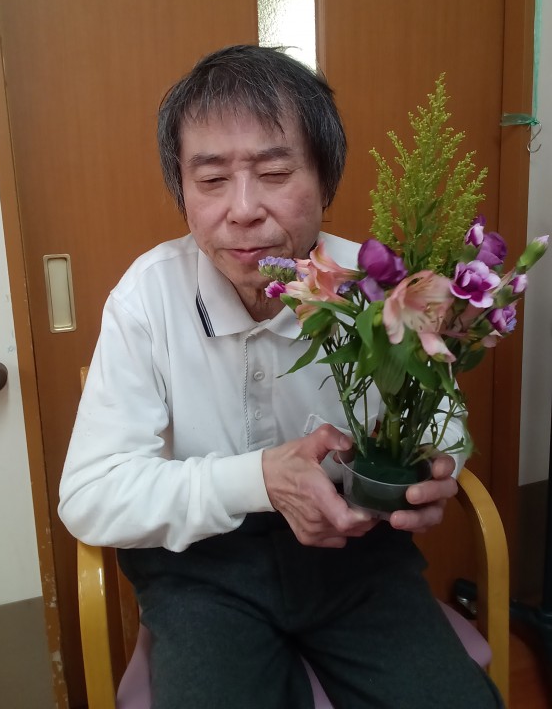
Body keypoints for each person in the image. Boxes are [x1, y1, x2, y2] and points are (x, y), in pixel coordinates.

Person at [59, 45, 503, 708]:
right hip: (202, 569)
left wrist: (437, 464)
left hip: (356, 556)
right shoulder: (147, 298)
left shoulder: (375, 284)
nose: (242, 210)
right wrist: (261, 477)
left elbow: (441, 417)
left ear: (325, 180)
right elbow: (91, 495)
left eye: (273, 173)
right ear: (183, 191)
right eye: (212, 179)